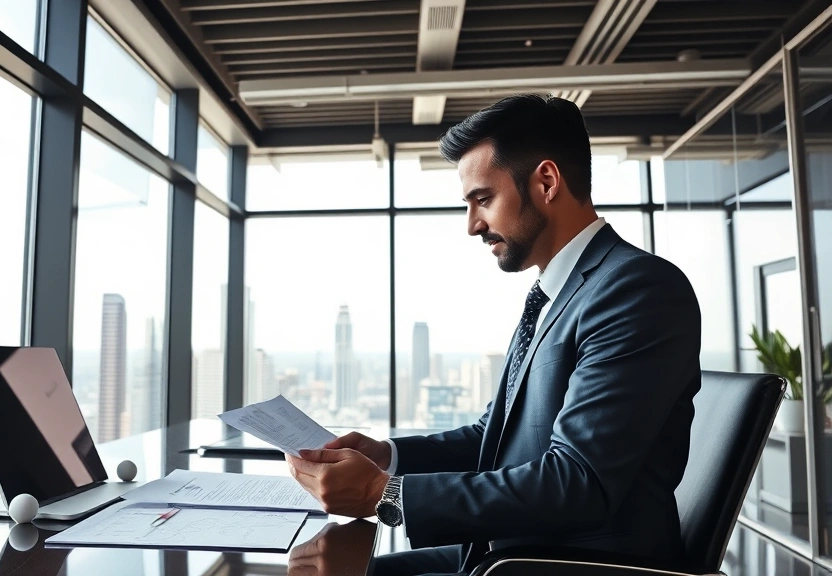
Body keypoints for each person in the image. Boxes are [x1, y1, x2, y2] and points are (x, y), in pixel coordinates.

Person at [285, 94, 702, 576]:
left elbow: (580, 481)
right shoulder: (559, 292)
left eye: (483, 199)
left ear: (546, 181)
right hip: (510, 548)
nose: (472, 225)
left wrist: (384, 495)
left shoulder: (636, 288)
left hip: (570, 562)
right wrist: (389, 458)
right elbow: (494, 436)